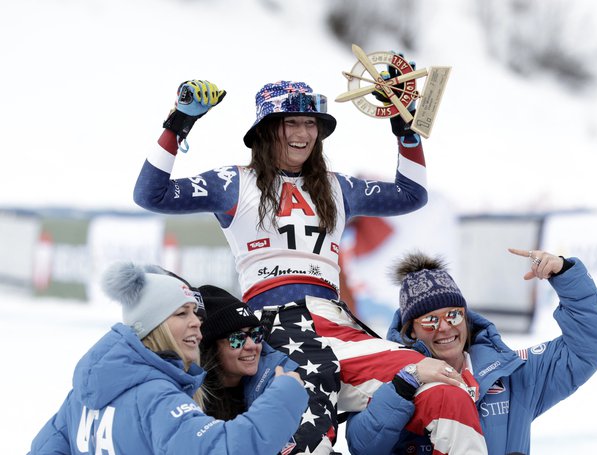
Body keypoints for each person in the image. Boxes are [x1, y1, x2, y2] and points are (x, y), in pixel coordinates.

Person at [133, 79, 486, 453]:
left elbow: (412, 194)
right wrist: (178, 125)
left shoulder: (338, 186)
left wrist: (404, 129)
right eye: (291, 123)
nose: (303, 134)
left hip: (338, 324)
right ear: (267, 130)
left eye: (311, 124)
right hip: (272, 327)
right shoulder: (233, 182)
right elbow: (150, 193)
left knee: (440, 383)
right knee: (306, 439)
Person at [345, 248, 597, 455]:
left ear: (466, 317)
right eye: (430, 320)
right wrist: (404, 385)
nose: (444, 328)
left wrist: (565, 275)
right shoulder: (389, 374)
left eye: (453, 315)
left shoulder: (514, 373)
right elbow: (362, 446)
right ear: (411, 330)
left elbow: (591, 344)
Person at [29, 262, 308, 455]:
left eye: (195, 314)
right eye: (181, 313)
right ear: (155, 324)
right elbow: (223, 449)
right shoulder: (156, 396)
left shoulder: (81, 396)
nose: (197, 323)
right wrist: (284, 396)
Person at [197, 284, 304, 453]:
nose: (251, 345)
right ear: (211, 348)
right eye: (237, 339)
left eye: (256, 334)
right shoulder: (192, 399)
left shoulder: (276, 384)